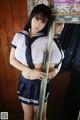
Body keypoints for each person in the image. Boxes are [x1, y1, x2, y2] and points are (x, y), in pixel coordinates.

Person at [10, 4, 64, 120]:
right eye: (37, 19)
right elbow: (12, 60)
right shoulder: (19, 36)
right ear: (31, 17)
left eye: (43, 22)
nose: (38, 24)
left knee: (40, 117)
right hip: (24, 81)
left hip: (39, 84)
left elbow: (60, 57)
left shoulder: (46, 39)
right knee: (27, 116)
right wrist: (29, 71)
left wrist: (57, 69)